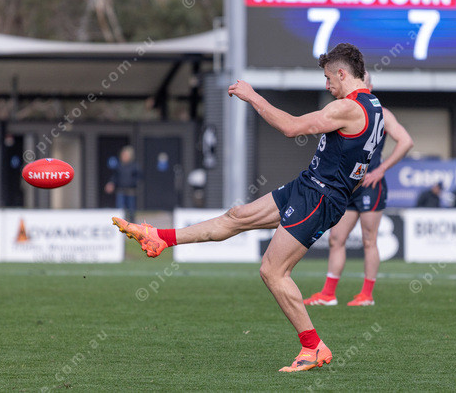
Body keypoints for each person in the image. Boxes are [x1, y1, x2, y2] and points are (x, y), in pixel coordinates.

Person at [113, 43, 385, 372]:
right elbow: (360, 169)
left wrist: (252, 96)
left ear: (342, 74)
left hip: (319, 195)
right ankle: (161, 238)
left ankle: (313, 347)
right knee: (237, 216)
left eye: (328, 78)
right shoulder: (374, 105)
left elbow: (291, 127)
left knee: (272, 270)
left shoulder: (348, 108)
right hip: (310, 186)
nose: (326, 85)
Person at [303, 72, 413, 307]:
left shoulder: (382, 113)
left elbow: (406, 141)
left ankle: (366, 295)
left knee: (369, 240)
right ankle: (328, 294)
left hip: (370, 184)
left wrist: (381, 170)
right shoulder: (346, 110)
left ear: (369, 85)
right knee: (336, 238)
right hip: (349, 185)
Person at [104, 146, 141, 221]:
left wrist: (133, 183)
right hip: (121, 191)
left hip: (130, 191)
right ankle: (121, 223)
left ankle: (131, 223)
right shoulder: (119, 166)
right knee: (120, 209)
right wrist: (111, 183)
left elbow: (138, 177)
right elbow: (115, 177)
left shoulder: (134, 166)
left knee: (131, 210)